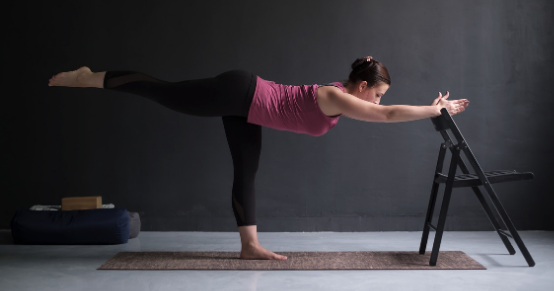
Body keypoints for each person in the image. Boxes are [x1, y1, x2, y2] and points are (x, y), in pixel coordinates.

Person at [47, 56, 469, 261]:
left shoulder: (341, 97)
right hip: (241, 93)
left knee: (246, 170)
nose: (377, 101)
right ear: (360, 86)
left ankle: (249, 245)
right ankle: (91, 79)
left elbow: (387, 109)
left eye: (379, 96)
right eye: (375, 92)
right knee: (165, 92)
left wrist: (433, 107)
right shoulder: (337, 96)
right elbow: (388, 114)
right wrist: (436, 110)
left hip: (248, 107)